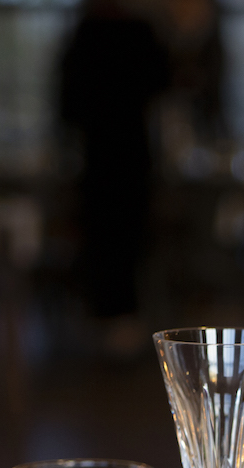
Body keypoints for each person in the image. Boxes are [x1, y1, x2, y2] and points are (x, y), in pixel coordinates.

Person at [59, 0, 171, 357]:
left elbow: (66, 106)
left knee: (122, 241)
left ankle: (120, 323)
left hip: (115, 158)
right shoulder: (100, 32)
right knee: (110, 242)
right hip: (113, 158)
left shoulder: (108, 32)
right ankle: (114, 323)